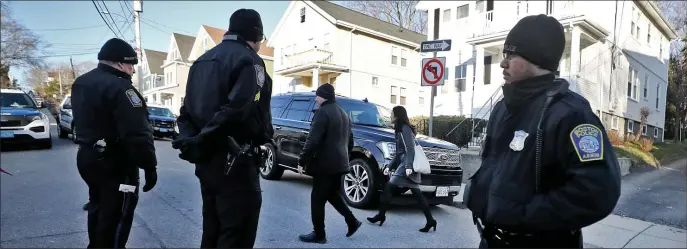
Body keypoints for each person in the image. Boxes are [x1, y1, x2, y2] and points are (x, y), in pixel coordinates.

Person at [463, 14, 621, 248]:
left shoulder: (571, 114)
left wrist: (523, 215)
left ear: (538, 59)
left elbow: (596, 191)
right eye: (504, 55)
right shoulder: (502, 108)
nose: (503, 63)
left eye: (512, 55)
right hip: (490, 240)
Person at [171, 8, 274, 249]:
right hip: (236, 162)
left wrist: (193, 141)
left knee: (212, 228)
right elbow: (239, 109)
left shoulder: (201, 61)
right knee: (236, 234)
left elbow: (185, 111)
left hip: (207, 162)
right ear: (256, 35)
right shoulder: (250, 61)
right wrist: (201, 139)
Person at [71, 37, 158, 248]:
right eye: (131, 65)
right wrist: (149, 165)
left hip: (88, 157)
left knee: (98, 206)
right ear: (120, 63)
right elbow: (137, 133)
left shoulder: (81, 83)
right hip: (117, 163)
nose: (133, 70)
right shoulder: (121, 88)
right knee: (118, 213)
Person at [297, 83, 362, 244]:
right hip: (340, 163)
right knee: (331, 195)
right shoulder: (343, 114)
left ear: (323, 96)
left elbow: (312, 141)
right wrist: (343, 157)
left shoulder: (323, 112)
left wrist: (302, 161)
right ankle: (352, 221)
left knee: (317, 199)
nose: (315, 99)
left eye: (317, 96)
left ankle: (319, 234)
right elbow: (350, 142)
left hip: (324, 164)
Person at [366, 106, 437, 233]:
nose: (391, 116)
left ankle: (381, 215)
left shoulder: (405, 128)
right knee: (417, 194)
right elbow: (399, 152)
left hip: (406, 166)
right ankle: (430, 220)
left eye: (392, 114)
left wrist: (409, 166)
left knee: (388, 187)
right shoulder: (399, 129)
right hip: (404, 164)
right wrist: (389, 166)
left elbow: (410, 148)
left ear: (398, 115)